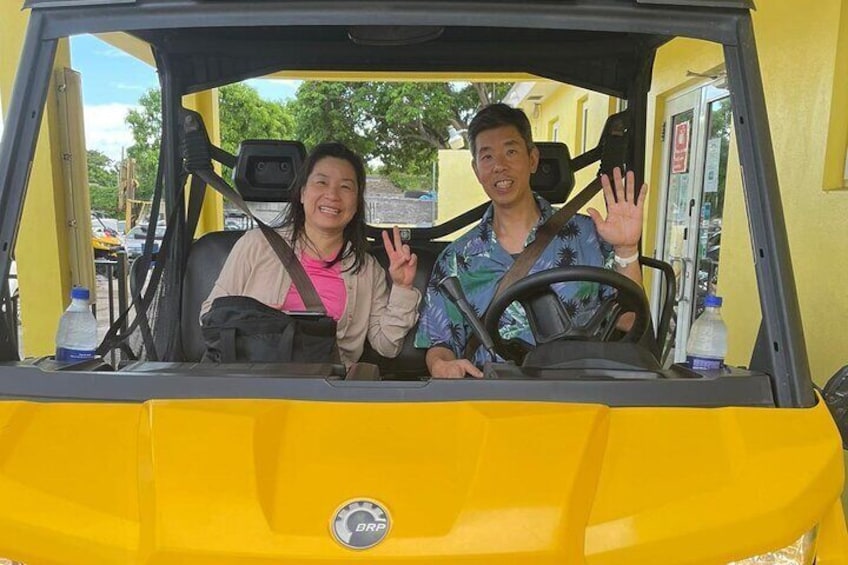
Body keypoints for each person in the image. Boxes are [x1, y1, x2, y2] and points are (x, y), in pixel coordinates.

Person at [415, 103, 647, 378]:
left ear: (533, 159)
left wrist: (626, 249)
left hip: (580, 396)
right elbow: (439, 344)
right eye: (487, 157)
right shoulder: (456, 260)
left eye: (511, 152)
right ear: (477, 170)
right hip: (490, 401)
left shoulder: (589, 237)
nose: (499, 166)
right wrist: (441, 366)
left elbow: (630, 320)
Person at [201, 141, 421, 367]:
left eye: (345, 187)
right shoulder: (255, 244)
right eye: (321, 182)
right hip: (253, 385)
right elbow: (210, 314)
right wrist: (265, 324)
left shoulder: (367, 269)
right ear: (303, 193)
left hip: (325, 393)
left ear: (357, 203)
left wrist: (402, 288)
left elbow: (387, 345)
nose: (332, 195)